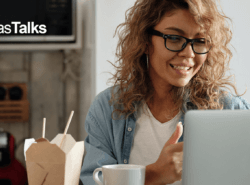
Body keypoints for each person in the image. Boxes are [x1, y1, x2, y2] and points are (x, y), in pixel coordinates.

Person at [80, 0, 250, 185]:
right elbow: (92, 181)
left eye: (201, 41)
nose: (189, 53)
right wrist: (153, 175)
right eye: (175, 38)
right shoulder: (107, 109)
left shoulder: (230, 110)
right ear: (145, 41)